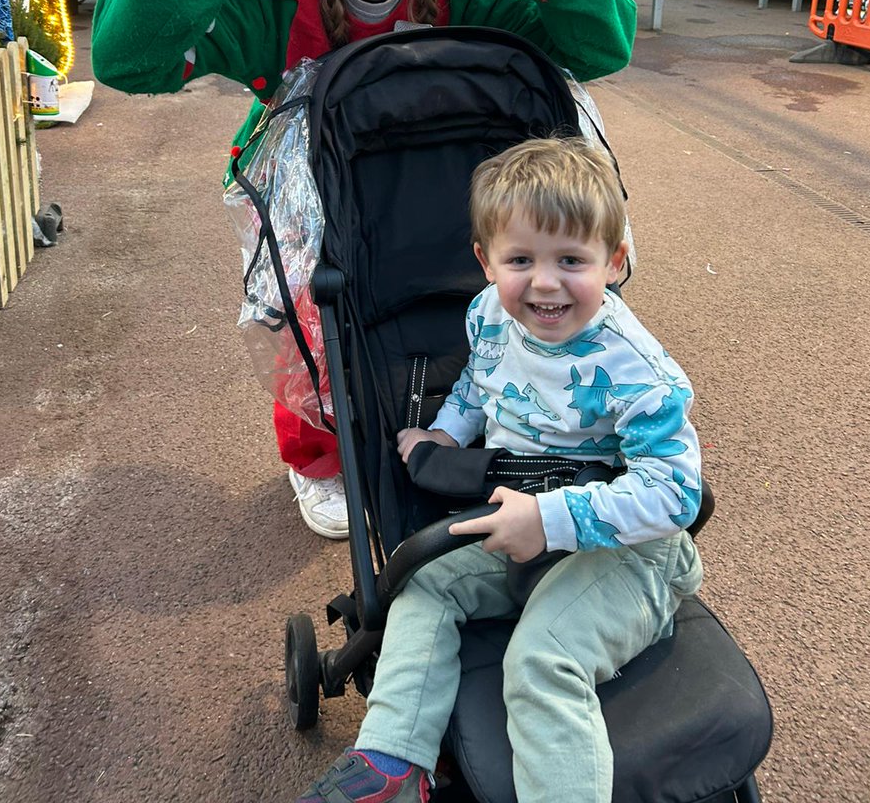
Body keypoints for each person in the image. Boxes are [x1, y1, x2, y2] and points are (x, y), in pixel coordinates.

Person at [90, 0, 637, 541]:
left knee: (466, 293)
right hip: (312, 199)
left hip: (434, 186)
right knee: (314, 308)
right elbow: (129, 59)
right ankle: (316, 453)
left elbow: (597, 50)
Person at [295, 138, 703, 803]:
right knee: (420, 582)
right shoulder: (489, 315)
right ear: (486, 262)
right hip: (520, 524)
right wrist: (446, 433)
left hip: (628, 551)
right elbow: (482, 387)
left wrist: (548, 519)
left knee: (540, 660)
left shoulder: (634, 369)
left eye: (571, 260)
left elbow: (677, 493)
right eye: (521, 260)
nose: (545, 282)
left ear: (615, 260)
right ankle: (395, 762)